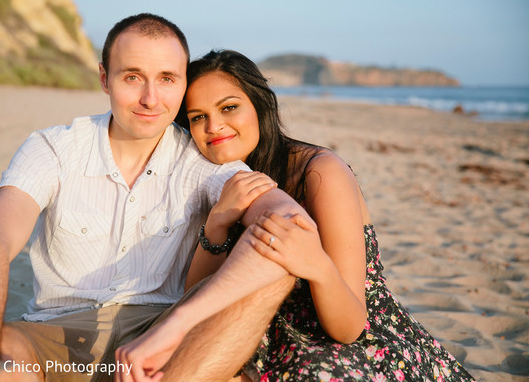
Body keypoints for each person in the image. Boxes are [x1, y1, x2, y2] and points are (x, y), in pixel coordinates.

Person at [0, 15, 307, 382]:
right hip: (55, 334)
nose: (150, 99)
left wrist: (175, 327)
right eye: (132, 77)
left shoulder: (203, 159)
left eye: (167, 79)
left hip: (164, 336)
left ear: (183, 83)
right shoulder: (54, 148)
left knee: (278, 260)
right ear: (105, 79)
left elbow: (289, 225)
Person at [120, 49, 476, 381]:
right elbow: (196, 292)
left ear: (260, 107)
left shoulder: (320, 172)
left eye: (228, 108)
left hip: (350, 332)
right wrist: (218, 221)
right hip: (264, 324)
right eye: (199, 117)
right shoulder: (214, 175)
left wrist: (316, 265)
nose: (214, 126)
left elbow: (351, 325)